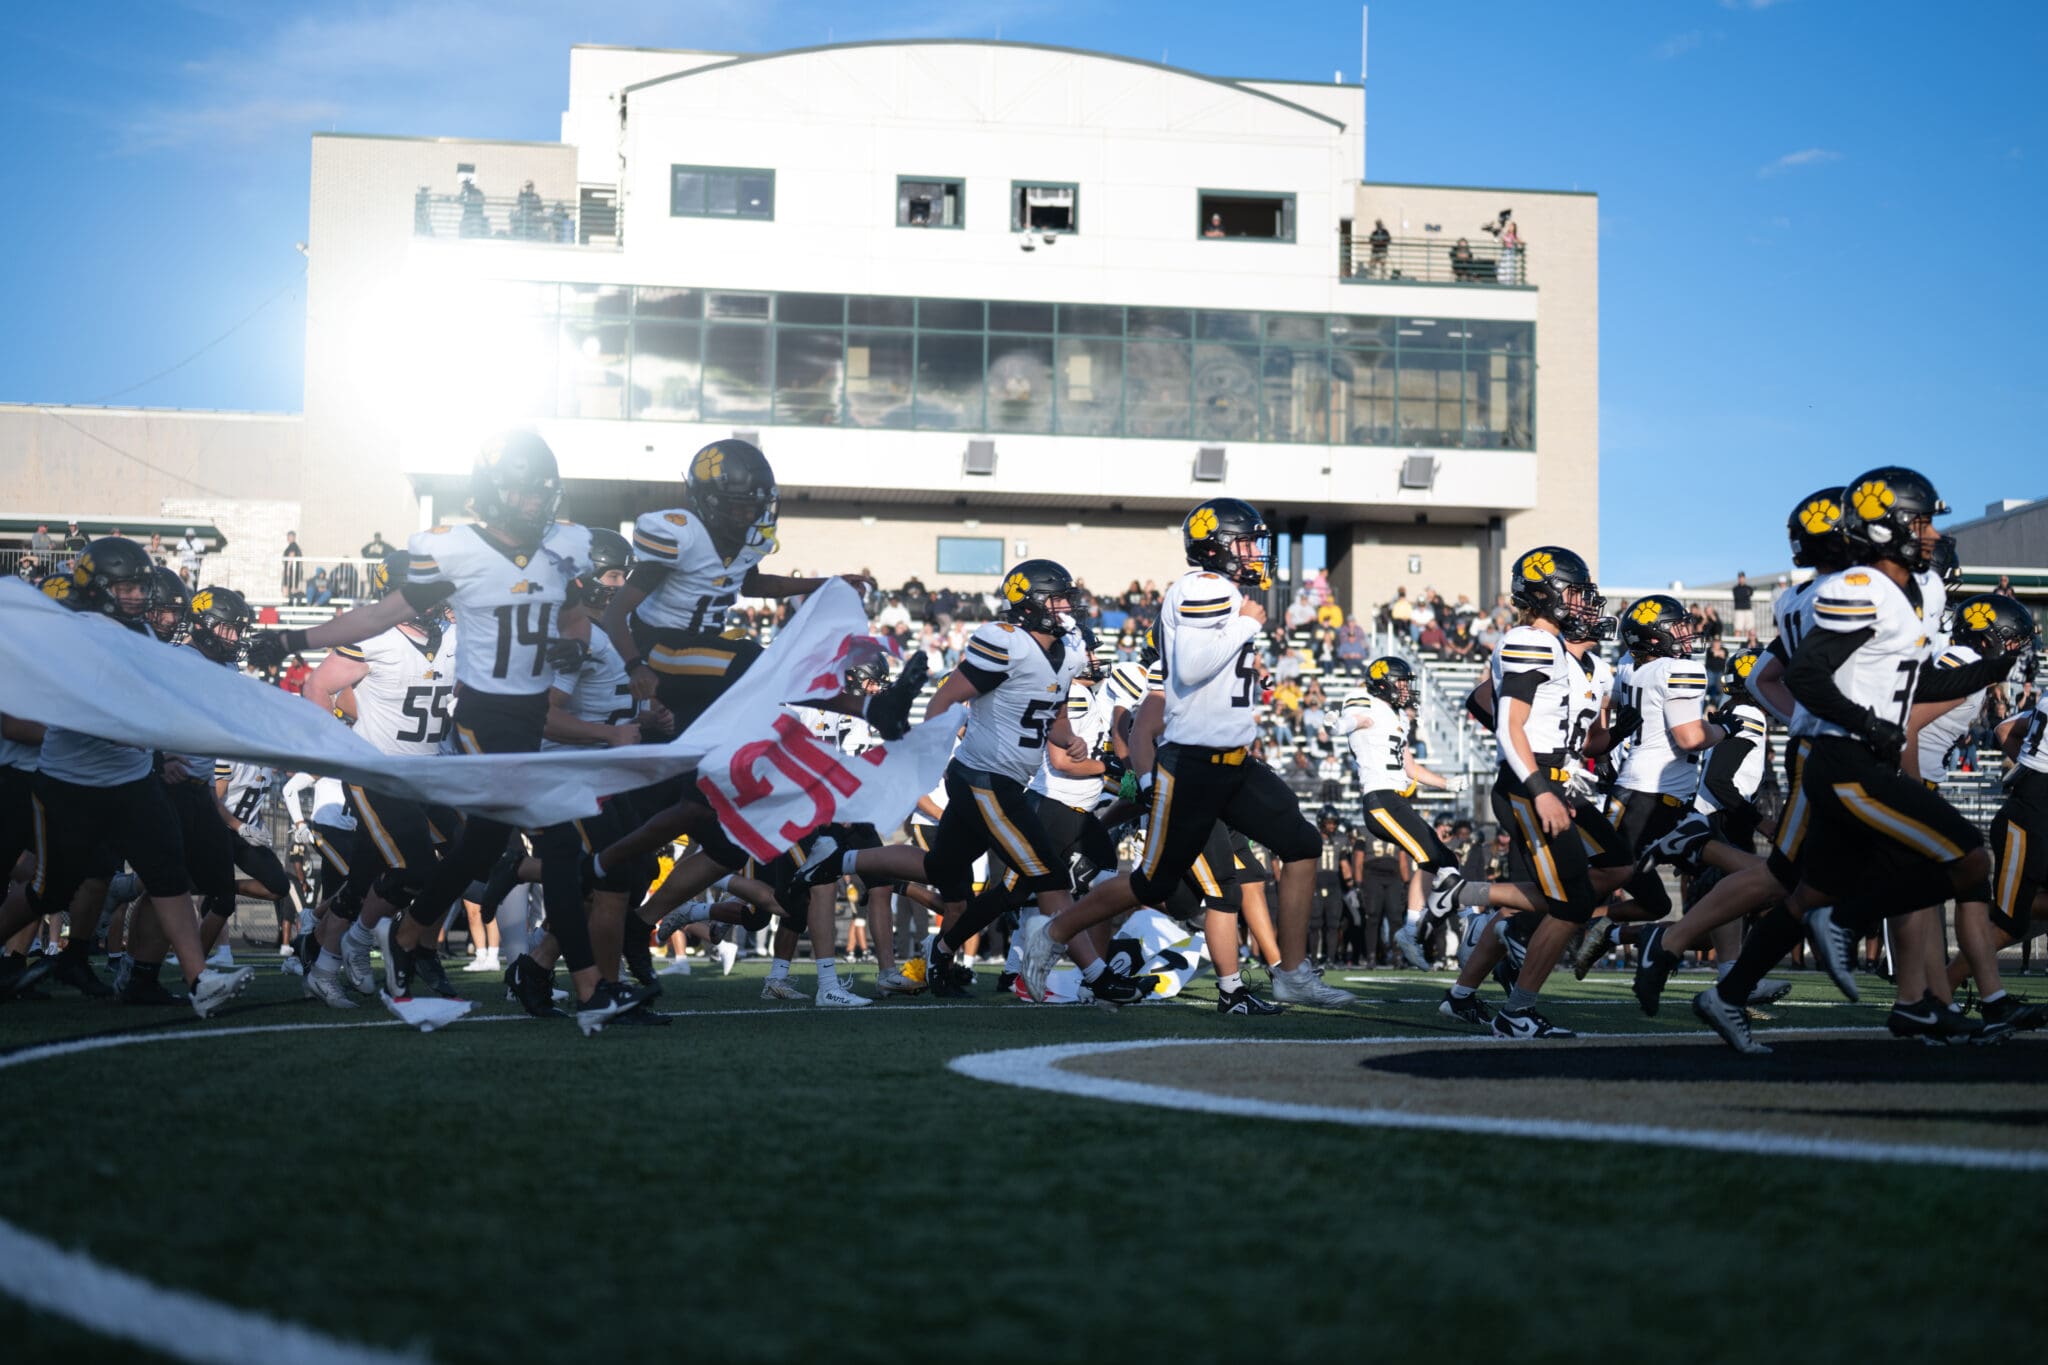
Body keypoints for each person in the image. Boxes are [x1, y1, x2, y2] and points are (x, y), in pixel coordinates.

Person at [249, 430, 647, 1031]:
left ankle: (410, 933)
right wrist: (292, 639)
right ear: (493, 493)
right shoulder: (458, 551)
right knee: (562, 848)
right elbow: (383, 613)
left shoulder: (561, 551)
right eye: (521, 490)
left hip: (529, 716)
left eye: (540, 490)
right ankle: (593, 990)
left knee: (479, 847)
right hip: (486, 718)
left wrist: (571, 644)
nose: (533, 502)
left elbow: (571, 617)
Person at [1018, 498, 1354, 1010]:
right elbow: (1194, 666)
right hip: (1194, 763)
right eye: (1245, 543)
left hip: (1233, 760)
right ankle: (1053, 932)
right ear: (1216, 547)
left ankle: (1291, 972)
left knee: (1303, 844)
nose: (1254, 553)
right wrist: (1247, 626)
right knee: (1151, 881)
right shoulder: (1203, 587)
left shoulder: (1223, 592)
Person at [0, 538, 253, 1013]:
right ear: (96, 586)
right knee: (49, 890)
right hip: (70, 782)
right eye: (127, 587)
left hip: (133, 780)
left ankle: (200, 981)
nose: (138, 596)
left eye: (140, 586)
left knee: (169, 874)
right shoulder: (69, 635)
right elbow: (35, 714)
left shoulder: (144, 635)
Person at [281, 530, 304, 604]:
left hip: (292, 571)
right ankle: (289, 602)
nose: (287, 538)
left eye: (289, 536)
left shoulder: (292, 546)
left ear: (293, 537)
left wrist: (287, 569)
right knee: (292, 587)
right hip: (294, 572)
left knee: (287, 587)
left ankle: (286, 602)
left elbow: (291, 556)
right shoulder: (295, 546)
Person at [1730, 571, 1755, 636]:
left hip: (1748, 609)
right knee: (1738, 628)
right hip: (1739, 610)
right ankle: (1737, 642)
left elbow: (1751, 593)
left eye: (1742, 577)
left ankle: (1747, 642)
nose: (1741, 579)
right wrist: (1746, 594)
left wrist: (1744, 594)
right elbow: (1738, 596)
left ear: (1744, 578)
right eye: (1740, 578)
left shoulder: (1749, 587)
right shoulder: (1735, 588)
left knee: (1749, 628)